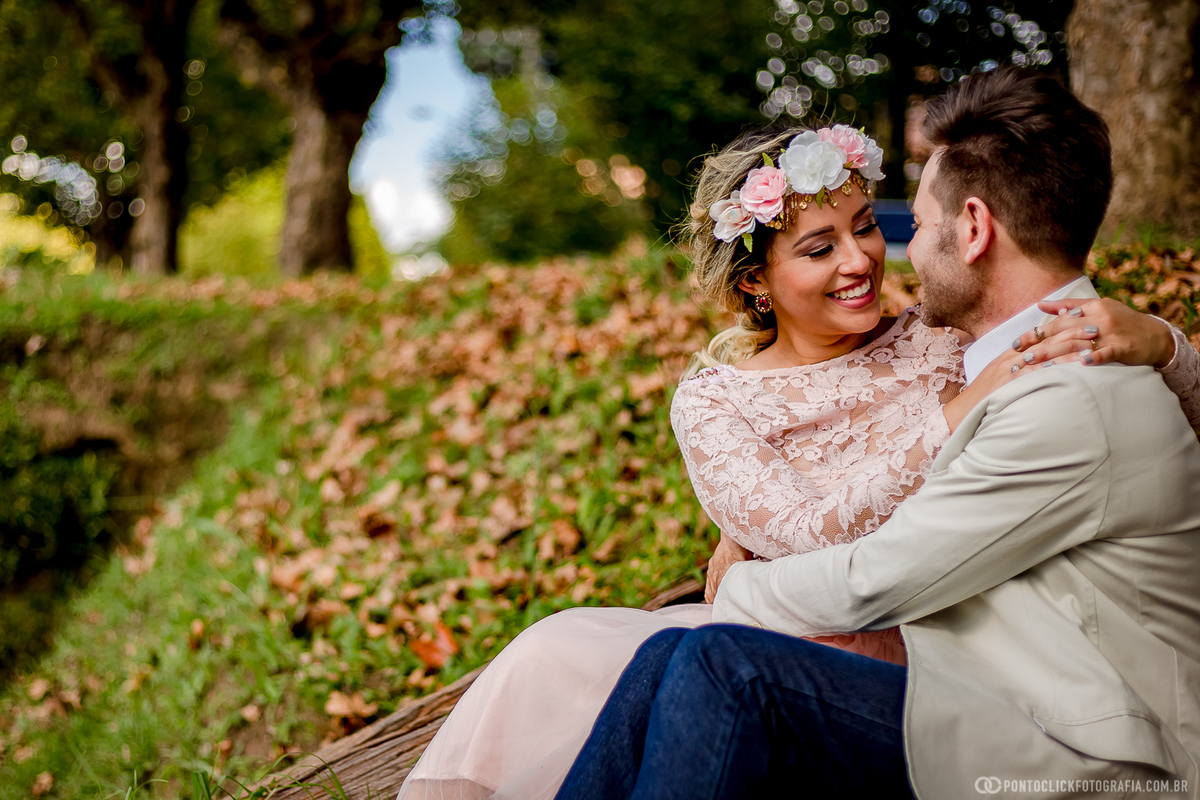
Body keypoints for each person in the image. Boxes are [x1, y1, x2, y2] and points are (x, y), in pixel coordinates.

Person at [397, 84, 1200, 800]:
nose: (872, 259)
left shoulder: (975, 352)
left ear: (974, 228)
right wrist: (739, 540)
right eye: (820, 248)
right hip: (861, 625)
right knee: (637, 664)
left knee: (712, 666)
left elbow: (880, 573)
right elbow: (807, 528)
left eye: (884, 227)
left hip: (1002, 695)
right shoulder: (728, 396)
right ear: (755, 280)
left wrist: (1163, 340)